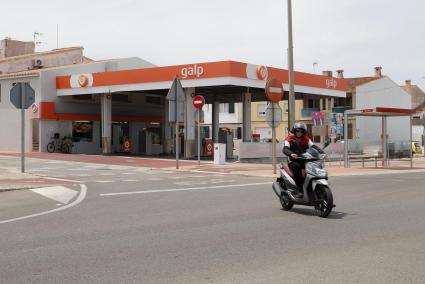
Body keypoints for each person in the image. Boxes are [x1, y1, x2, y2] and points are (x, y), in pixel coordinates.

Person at [282, 122, 325, 190]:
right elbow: (285, 149)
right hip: (293, 160)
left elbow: (314, 147)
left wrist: (322, 153)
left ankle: (311, 184)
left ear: (304, 132)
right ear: (294, 131)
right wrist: (291, 154)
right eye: (297, 131)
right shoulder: (289, 139)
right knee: (297, 167)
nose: (299, 133)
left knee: (313, 167)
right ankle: (299, 188)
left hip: (305, 159)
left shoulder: (306, 139)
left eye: (301, 131)